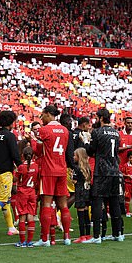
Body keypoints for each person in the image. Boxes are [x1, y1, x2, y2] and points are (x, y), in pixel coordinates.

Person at [33, 105, 74, 247]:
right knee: (63, 205)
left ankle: (45, 239)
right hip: (62, 170)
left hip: (48, 171)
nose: (41, 118)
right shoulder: (65, 130)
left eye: (42, 115)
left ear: (49, 114)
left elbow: (38, 151)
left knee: (46, 204)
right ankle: (67, 237)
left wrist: (32, 140)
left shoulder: (44, 130)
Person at [83, 108, 123, 244]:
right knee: (114, 202)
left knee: (97, 201)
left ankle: (96, 236)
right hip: (115, 170)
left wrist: (86, 142)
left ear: (100, 118)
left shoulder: (97, 132)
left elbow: (91, 151)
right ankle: (118, 234)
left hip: (102, 171)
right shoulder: (116, 133)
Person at [13, 146, 39, 247]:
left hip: (22, 193)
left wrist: (13, 171)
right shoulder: (36, 166)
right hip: (32, 192)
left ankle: (22, 241)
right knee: (31, 215)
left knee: (22, 216)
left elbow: (15, 179)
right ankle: (29, 241)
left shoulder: (21, 167)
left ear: (22, 155)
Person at [72, 147, 92, 243]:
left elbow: (74, 181)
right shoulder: (88, 168)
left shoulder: (76, 168)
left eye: (75, 155)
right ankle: (88, 234)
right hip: (87, 192)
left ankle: (82, 235)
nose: (73, 157)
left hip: (80, 192)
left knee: (80, 215)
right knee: (86, 214)